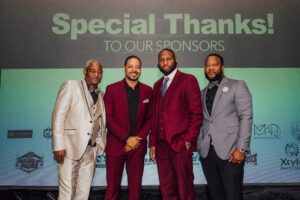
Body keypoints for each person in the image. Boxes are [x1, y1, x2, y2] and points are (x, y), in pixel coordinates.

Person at [197, 53, 253, 200]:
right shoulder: (202, 92)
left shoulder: (237, 85)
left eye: (214, 64)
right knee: (215, 196)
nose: (210, 68)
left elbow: (245, 117)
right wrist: (199, 144)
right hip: (207, 154)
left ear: (222, 67)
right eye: (207, 65)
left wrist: (241, 148)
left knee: (232, 195)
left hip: (231, 153)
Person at [149, 48, 203, 200]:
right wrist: (152, 142)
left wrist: (188, 140)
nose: (165, 62)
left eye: (168, 59)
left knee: (184, 188)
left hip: (179, 145)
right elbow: (154, 116)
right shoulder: (157, 85)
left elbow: (196, 114)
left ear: (176, 60)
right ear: (158, 63)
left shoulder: (188, 80)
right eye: (162, 60)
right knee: (167, 189)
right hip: (161, 146)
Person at [52, 59, 106, 200]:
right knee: (67, 191)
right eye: (93, 71)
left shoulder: (101, 94)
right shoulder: (71, 85)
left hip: (91, 150)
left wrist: (99, 143)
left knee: (83, 192)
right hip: (69, 147)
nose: (96, 74)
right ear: (85, 71)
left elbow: (99, 122)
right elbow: (58, 115)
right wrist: (58, 145)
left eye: (99, 72)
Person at [104, 55, 152, 200]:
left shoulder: (148, 91)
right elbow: (108, 117)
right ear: (124, 68)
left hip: (137, 147)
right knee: (112, 188)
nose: (134, 70)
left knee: (135, 189)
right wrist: (126, 138)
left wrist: (137, 139)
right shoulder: (112, 89)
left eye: (137, 67)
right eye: (130, 66)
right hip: (115, 145)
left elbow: (150, 119)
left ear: (140, 69)